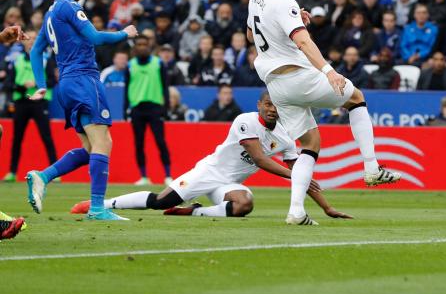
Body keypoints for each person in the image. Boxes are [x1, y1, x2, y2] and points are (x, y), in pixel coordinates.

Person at [247, 0, 399, 225]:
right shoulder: (285, 2)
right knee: (356, 98)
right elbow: (304, 42)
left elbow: (250, 34)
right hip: (298, 77)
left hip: (276, 86)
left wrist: (290, 20)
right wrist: (329, 71)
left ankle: (296, 211)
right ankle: (371, 167)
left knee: (309, 143)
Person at [70, 91, 351, 220]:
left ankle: (193, 212)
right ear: (259, 105)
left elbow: (302, 180)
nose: (272, 110)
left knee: (244, 204)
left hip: (228, 185)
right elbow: (260, 159)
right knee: (159, 201)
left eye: (277, 106)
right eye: (267, 104)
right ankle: (102, 204)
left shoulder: (286, 139)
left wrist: (326, 208)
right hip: (209, 172)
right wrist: (296, 173)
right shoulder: (246, 120)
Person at [25, 0, 138, 221]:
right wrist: (125, 33)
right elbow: (95, 37)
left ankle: (43, 176)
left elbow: (35, 50)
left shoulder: (51, 12)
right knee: (104, 142)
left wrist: (42, 84)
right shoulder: (70, 7)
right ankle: (97, 209)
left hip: (66, 83)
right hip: (84, 79)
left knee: (90, 149)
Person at [3, 30, 57, 182]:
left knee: (46, 137)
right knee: (17, 138)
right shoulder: (16, 60)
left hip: (40, 102)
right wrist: (22, 86)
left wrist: (37, 84)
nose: (32, 41)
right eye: (29, 38)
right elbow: (8, 83)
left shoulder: (46, 59)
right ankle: (12, 172)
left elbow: (53, 81)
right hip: (22, 102)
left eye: (35, 38)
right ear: (23, 41)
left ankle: (55, 172)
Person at [124, 36, 172, 186]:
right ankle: (144, 177)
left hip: (155, 108)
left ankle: (168, 176)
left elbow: (165, 87)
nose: (142, 47)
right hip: (137, 108)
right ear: (135, 47)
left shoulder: (158, 63)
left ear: (149, 46)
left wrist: (166, 108)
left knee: (160, 142)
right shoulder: (130, 65)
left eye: (145, 44)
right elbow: (126, 88)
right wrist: (124, 109)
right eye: (139, 44)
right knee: (139, 143)